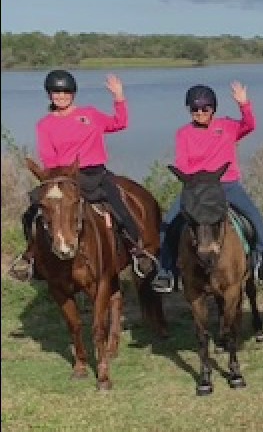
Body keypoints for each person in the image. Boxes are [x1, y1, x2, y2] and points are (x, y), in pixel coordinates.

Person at [8, 70, 158, 281]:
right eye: (56, 92)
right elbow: (49, 158)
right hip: (63, 177)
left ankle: (137, 251)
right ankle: (32, 257)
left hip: (93, 172)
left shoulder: (90, 115)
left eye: (65, 92)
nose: (61, 96)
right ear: (50, 95)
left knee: (120, 205)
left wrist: (119, 97)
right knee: (32, 210)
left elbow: (119, 123)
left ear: (73, 94)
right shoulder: (45, 124)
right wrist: (57, 180)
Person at [151, 82, 263, 293]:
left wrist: (244, 104)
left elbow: (249, 125)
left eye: (204, 108)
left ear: (213, 109)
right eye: (194, 109)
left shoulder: (227, 126)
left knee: (255, 219)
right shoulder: (183, 133)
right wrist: (192, 180)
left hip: (226, 185)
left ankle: (261, 261)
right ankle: (166, 272)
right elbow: (182, 162)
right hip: (196, 189)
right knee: (167, 225)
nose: (199, 113)